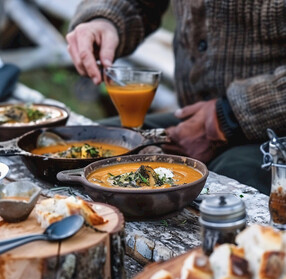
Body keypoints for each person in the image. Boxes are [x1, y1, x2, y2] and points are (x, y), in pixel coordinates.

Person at [66, 0, 286, 195]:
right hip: (192, 118)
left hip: (275, 129)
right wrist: (105, 18)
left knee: (223, 185)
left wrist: (230, 115)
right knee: (91, 147)